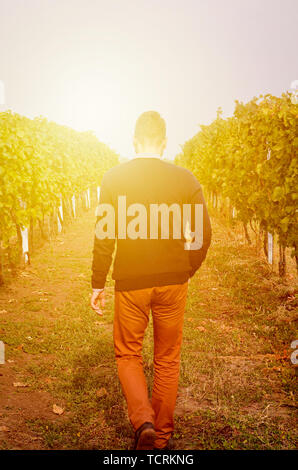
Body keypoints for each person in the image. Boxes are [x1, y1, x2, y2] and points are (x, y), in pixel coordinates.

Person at [91, 111, 212, 450]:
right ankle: (160, 438)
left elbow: (104, 236)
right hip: (174, 282)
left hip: (131, 282)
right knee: (167, 357)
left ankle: (142, 420)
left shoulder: (113, 178)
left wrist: (97, 283)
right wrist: (185, 269)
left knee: (128, 354)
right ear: (164, 142)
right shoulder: (185, 179)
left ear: (134, 141)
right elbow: (204, 234)